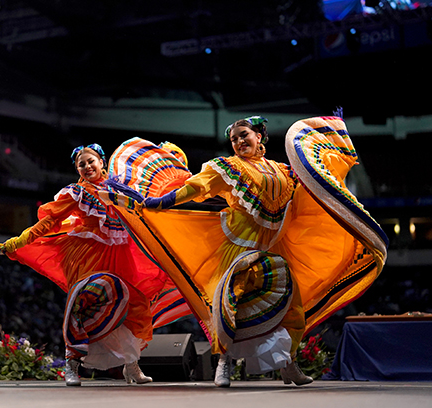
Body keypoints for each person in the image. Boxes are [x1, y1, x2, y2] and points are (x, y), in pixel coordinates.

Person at [102, 115, 388, 387]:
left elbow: (308, 194)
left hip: (274, 250)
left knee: (293, 309)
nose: (239, 142)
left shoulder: (284, 172)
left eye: (244, 135)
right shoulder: (229, 168)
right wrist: (160, 203)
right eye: (234, 139)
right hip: (237, 248)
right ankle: (223, 361)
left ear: (259, 136)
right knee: (227, 307)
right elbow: (196, 188)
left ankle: (288, 363)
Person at [0, 143, 171, 386]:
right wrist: (17, 242)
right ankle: (72, 364)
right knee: (83, 303)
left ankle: (131, 366)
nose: (87, 166)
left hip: (120, 256)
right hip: (87, 256)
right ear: (77, 169)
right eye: (82, 164)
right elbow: (47, 223)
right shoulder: (76, 194)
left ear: (102, 162)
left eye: (91, 161)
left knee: (135, 305)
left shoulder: (120, 190)